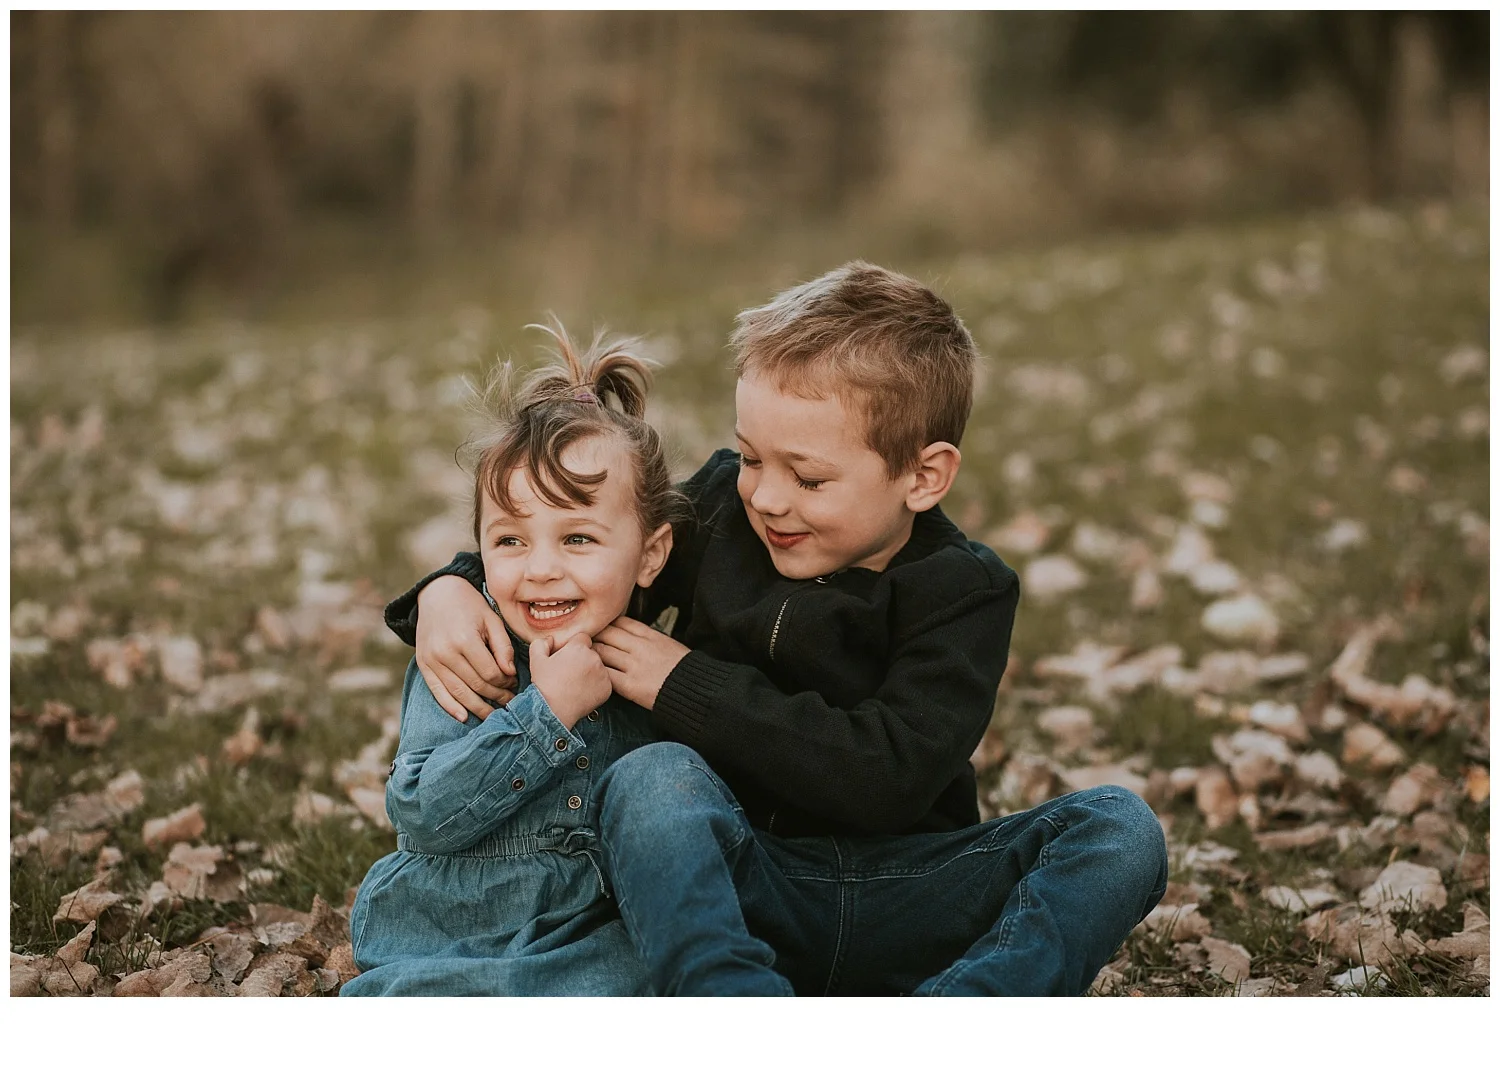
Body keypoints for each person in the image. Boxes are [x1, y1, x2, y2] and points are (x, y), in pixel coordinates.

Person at [393, 262, 1168, 996]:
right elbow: (593, 549)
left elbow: (888, 774)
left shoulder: (964, 592)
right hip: (734, 876)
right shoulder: (729, 510)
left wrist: (684, 683)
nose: (767, 497)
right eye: (753, 456)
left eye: (809, 477)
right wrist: (448, 588)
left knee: (1119, 831)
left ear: (922, 476)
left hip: (908, 885)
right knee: (649, 779)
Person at [341, 321, 685, 996]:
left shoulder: (656, 663)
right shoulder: (474, 653)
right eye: (510, 540)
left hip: (588, 947)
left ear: (650, 554)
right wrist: (544, 711)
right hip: (449, 937)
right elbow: (421, 813)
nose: (541, 570)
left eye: (578, 537)